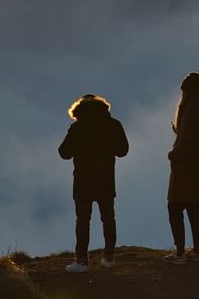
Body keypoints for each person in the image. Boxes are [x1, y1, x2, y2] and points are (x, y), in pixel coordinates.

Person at [58, 93, 129, 273]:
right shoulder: (114, 125)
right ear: (103, 107)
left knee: (83, 221)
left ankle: (82, 261)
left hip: (83, 180)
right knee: (108, 219)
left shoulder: (77, 127)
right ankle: (108, 258)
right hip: (105, 178)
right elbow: (122, 151)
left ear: (79, 109)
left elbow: (64, 153)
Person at [165, 71, 199, 264]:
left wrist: (172, 154)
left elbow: (186, 143)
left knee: (174, 206)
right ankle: (198, 250)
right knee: (194, 205)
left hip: (186, 167)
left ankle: (179, 253)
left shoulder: (190, 110)